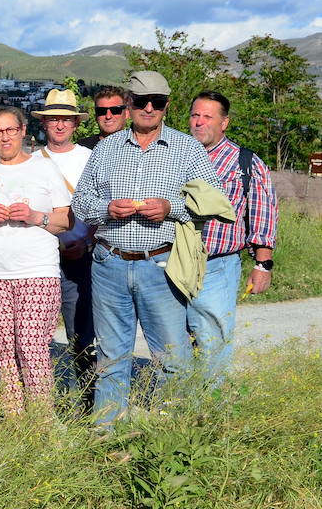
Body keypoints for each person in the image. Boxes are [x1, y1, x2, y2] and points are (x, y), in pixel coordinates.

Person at [72, 71, 220, 422]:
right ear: (129, 106)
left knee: (172, 356)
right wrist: (106, 209)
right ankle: (108, 436)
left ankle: (175, 433)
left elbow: (215, 202)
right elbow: (80, 202)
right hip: (109, 263)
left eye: (156, 102)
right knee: (110, 357)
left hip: (162, 264)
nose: (148, 108)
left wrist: (171, 209)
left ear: (167, 106)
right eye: (141, 102)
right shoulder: (106, 148)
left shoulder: (187, 149)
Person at [0, 107, 71, 415]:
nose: (5, 137)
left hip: (37, 271)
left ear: (24, 131)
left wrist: (36, 216)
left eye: (10, 130)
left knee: (32, 347)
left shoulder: (44, 168)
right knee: (5, 352)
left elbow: (64, 221)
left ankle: (41, 419)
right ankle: (14, 421)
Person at [186, 90, 278, 381]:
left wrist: (262, 265)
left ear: (224, 123)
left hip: (217, 266)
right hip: (173, 263)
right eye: (195, 115)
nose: (199, 122)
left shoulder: (245, 164)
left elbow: (263, 216)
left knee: (212, 339)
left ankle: (212, 410)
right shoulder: (178, 156)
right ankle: (180, 406)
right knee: (176, 339)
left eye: (207, 117)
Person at [33, 88, 97, 394]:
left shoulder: (91, 159)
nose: (60, 125)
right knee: (37, 336)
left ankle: (86, 401)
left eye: (66, 120)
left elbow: (102, 206)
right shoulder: (31, 161)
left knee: (81, 335)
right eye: (54, 119)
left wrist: (85, 243)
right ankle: (46, 400)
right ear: (44, 124)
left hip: (82, 255)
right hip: (41, 258)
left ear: (75, 125)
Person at [78, 86, 129, 150]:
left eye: (115, 110)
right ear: (96, 115)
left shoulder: (137, 148)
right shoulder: (82, 148)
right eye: (101, 111)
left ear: (127, 113)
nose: (108, 116)